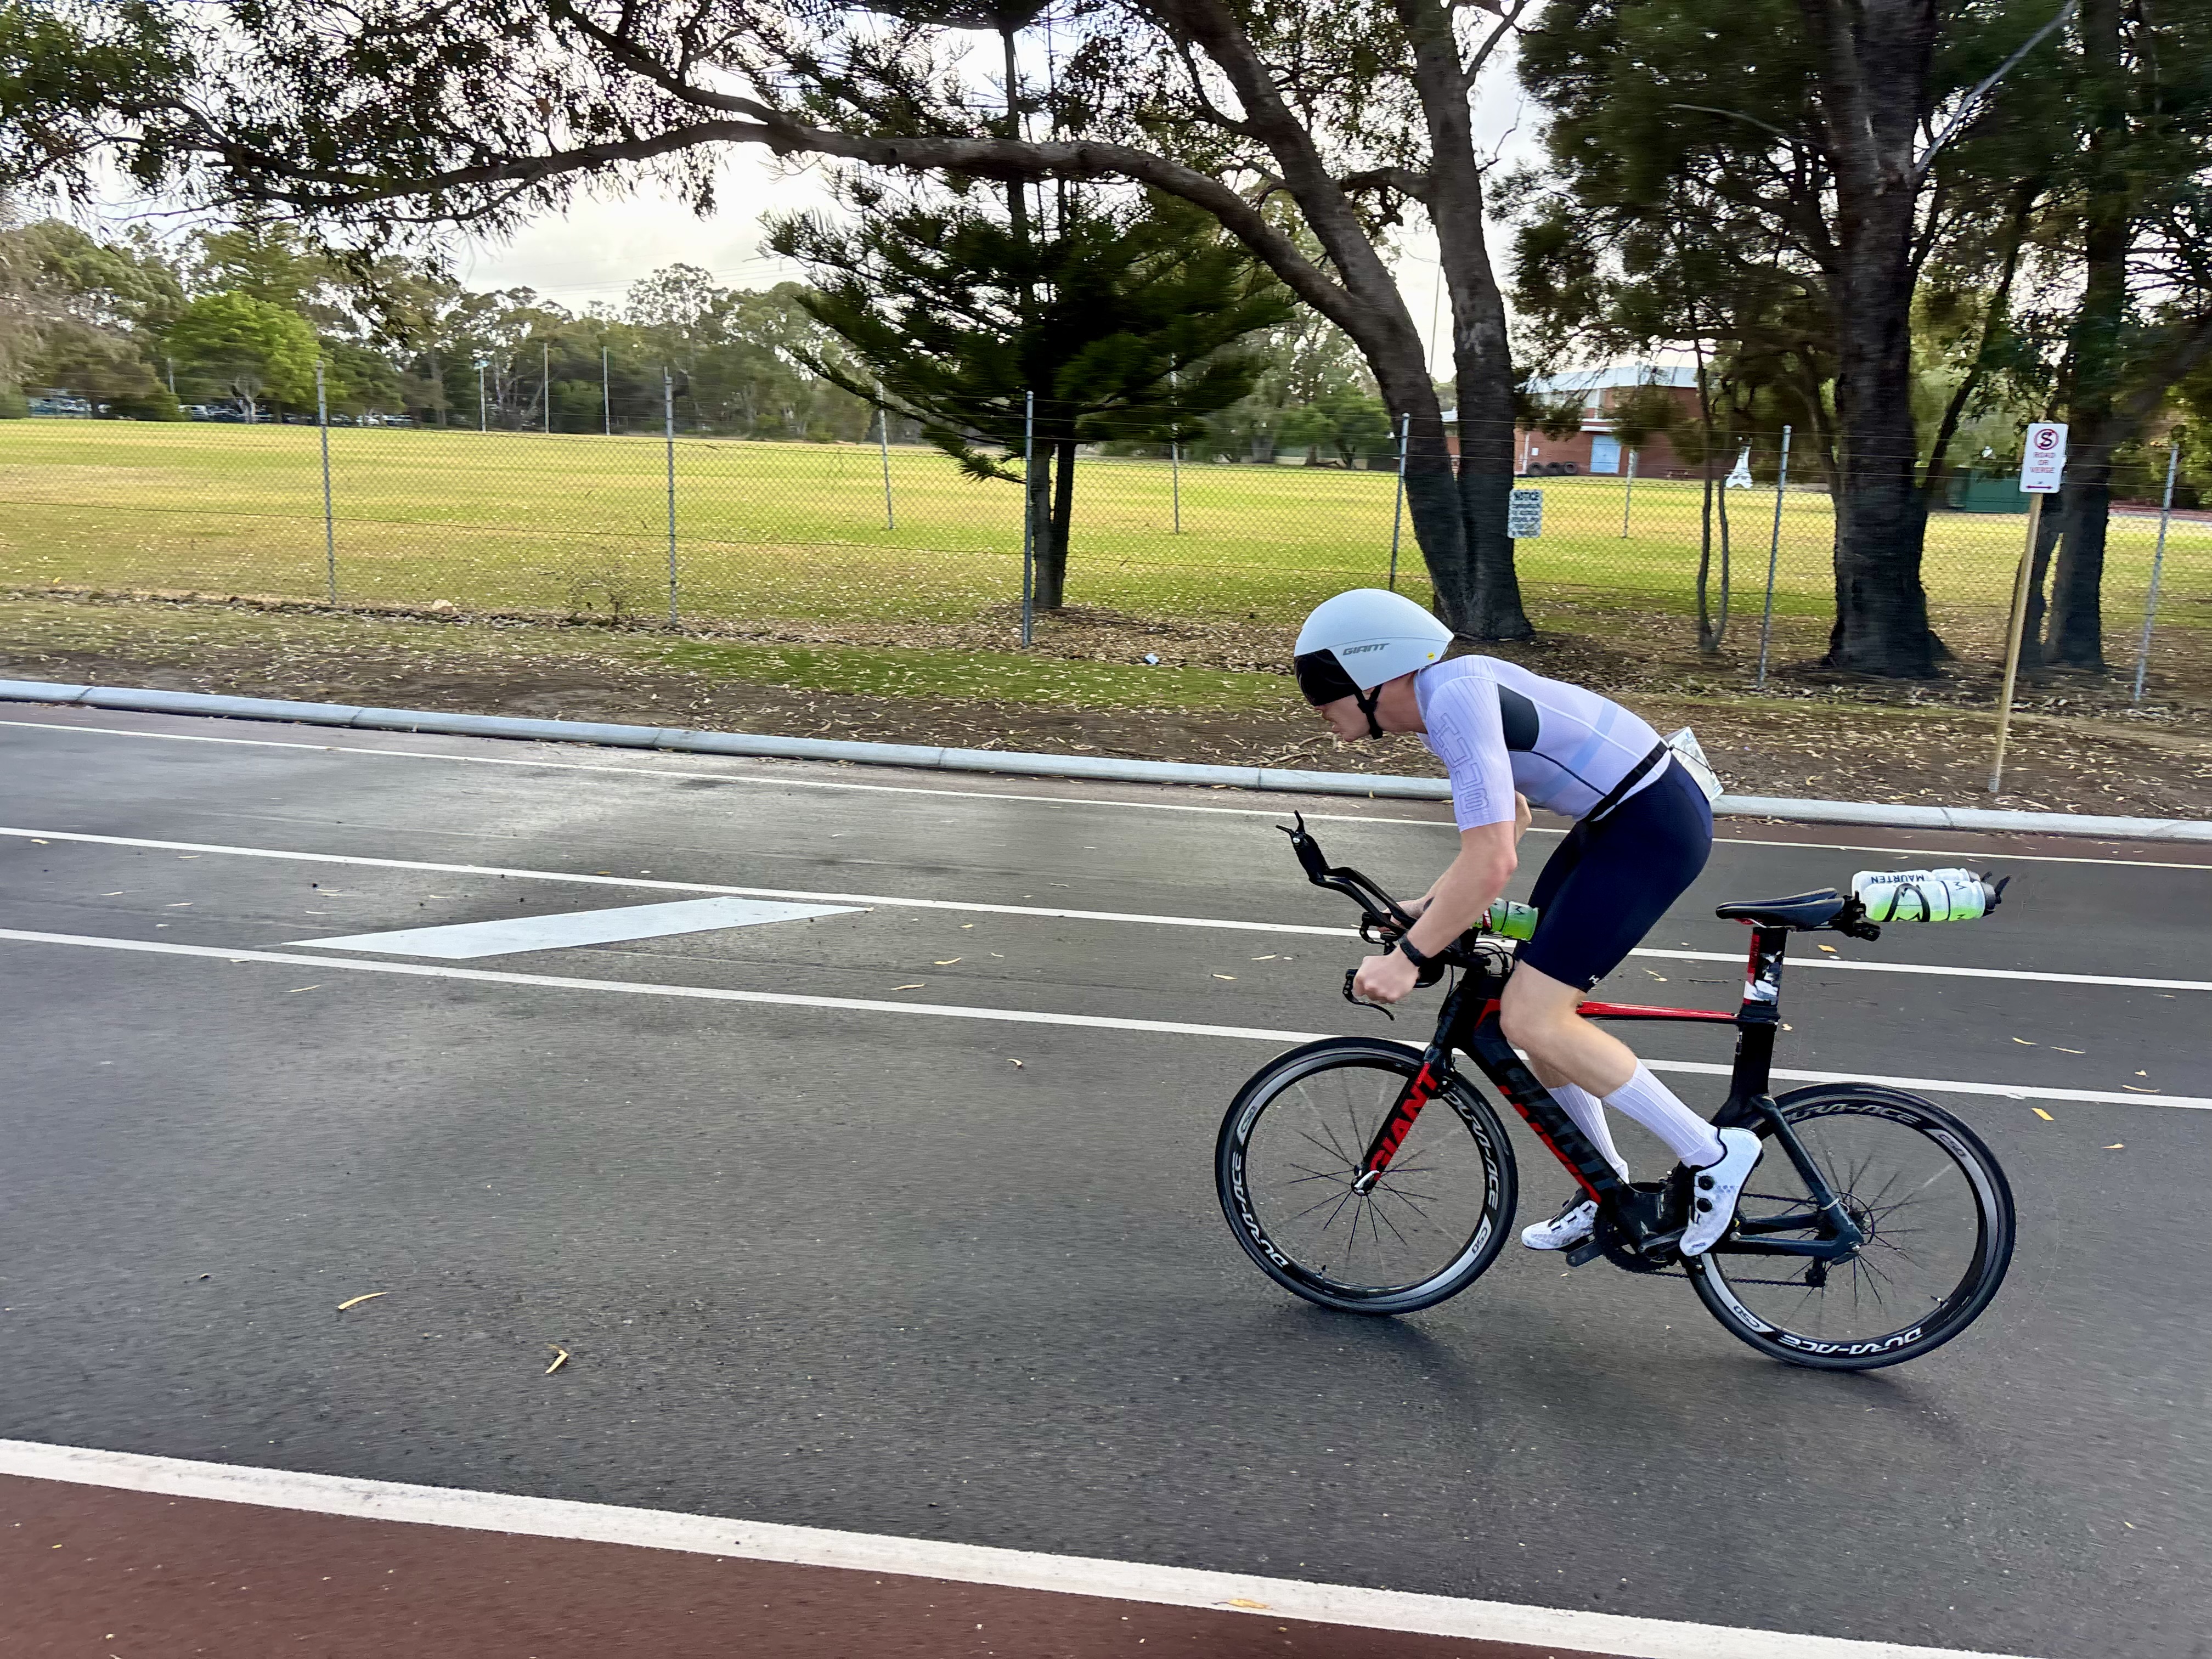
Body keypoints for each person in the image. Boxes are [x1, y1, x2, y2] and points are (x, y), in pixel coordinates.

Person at [1291, 588, 1760, 1257]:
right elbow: (1509, 816)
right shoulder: (1443, 702)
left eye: (1320, 692)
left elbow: (1494, 857)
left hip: (1649, 825)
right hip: (1617, 823)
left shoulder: (1452, 699)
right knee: (1531, 1013)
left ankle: (1711, 1153)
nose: (1318, 712)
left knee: (1534, 1017)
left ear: (1366, 675)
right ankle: (1606, 1187)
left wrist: (1408, 960)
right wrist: (1428, 910)